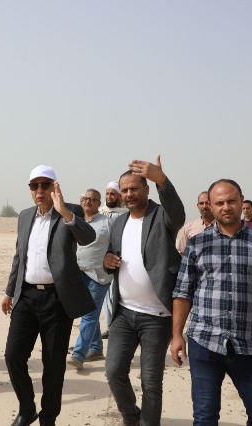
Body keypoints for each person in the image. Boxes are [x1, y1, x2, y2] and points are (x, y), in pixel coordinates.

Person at [171, 179, 252, 426]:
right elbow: (183, 292)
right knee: (205, 417)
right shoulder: (197, 243)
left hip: (249, 344)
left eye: (231, 201)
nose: (226, 207)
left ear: (241, 201)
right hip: (204, 341)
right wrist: (176, 335)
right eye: (219, 203)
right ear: (211, 206)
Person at [2, 165, 96, 426]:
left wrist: (63, 209)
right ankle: (27, 408)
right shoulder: (24, 216)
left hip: (57, 299)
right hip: (26, 297)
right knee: (13, 355)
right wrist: (9, 292)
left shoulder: (71, 211)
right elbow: (19, 257)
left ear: (55, 187)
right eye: (35, 186)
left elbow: (88, 237)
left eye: (45, 185)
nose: (40, 190)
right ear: (30, 190)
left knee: (53, 364)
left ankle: (48, 417)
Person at [103, 156, 186, 426]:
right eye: (124, 190)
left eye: (134, 189)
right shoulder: (119, 223)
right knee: (114, 372)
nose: (129, 194)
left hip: (157, 316)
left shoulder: (161, 216)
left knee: (151, 382)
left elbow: (178, 214)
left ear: (147, 189)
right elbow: (113, 258)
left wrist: (162, 180)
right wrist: (107, 261)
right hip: (124, 313)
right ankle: (131, 417)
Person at [68, 188, 113, 370]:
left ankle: (78, 355)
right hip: (78, 275)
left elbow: (116, 246)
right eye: (85, 198)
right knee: (86, 313)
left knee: (89, 315)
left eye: (93, 199)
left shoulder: (107, 223)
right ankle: (95, 349)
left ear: (99, 203)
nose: (88, 201)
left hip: (98, 276)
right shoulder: (75, 222)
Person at [99, 181, 128, 339]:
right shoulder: (101, 212)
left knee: (116, 295)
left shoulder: (125, 214)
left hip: (119, 260)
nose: (109, 196)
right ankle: (110, 326)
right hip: (102, 262)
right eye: (107, 193)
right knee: (106, 298)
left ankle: (116, 328)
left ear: (119, 196)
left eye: (113, 194)